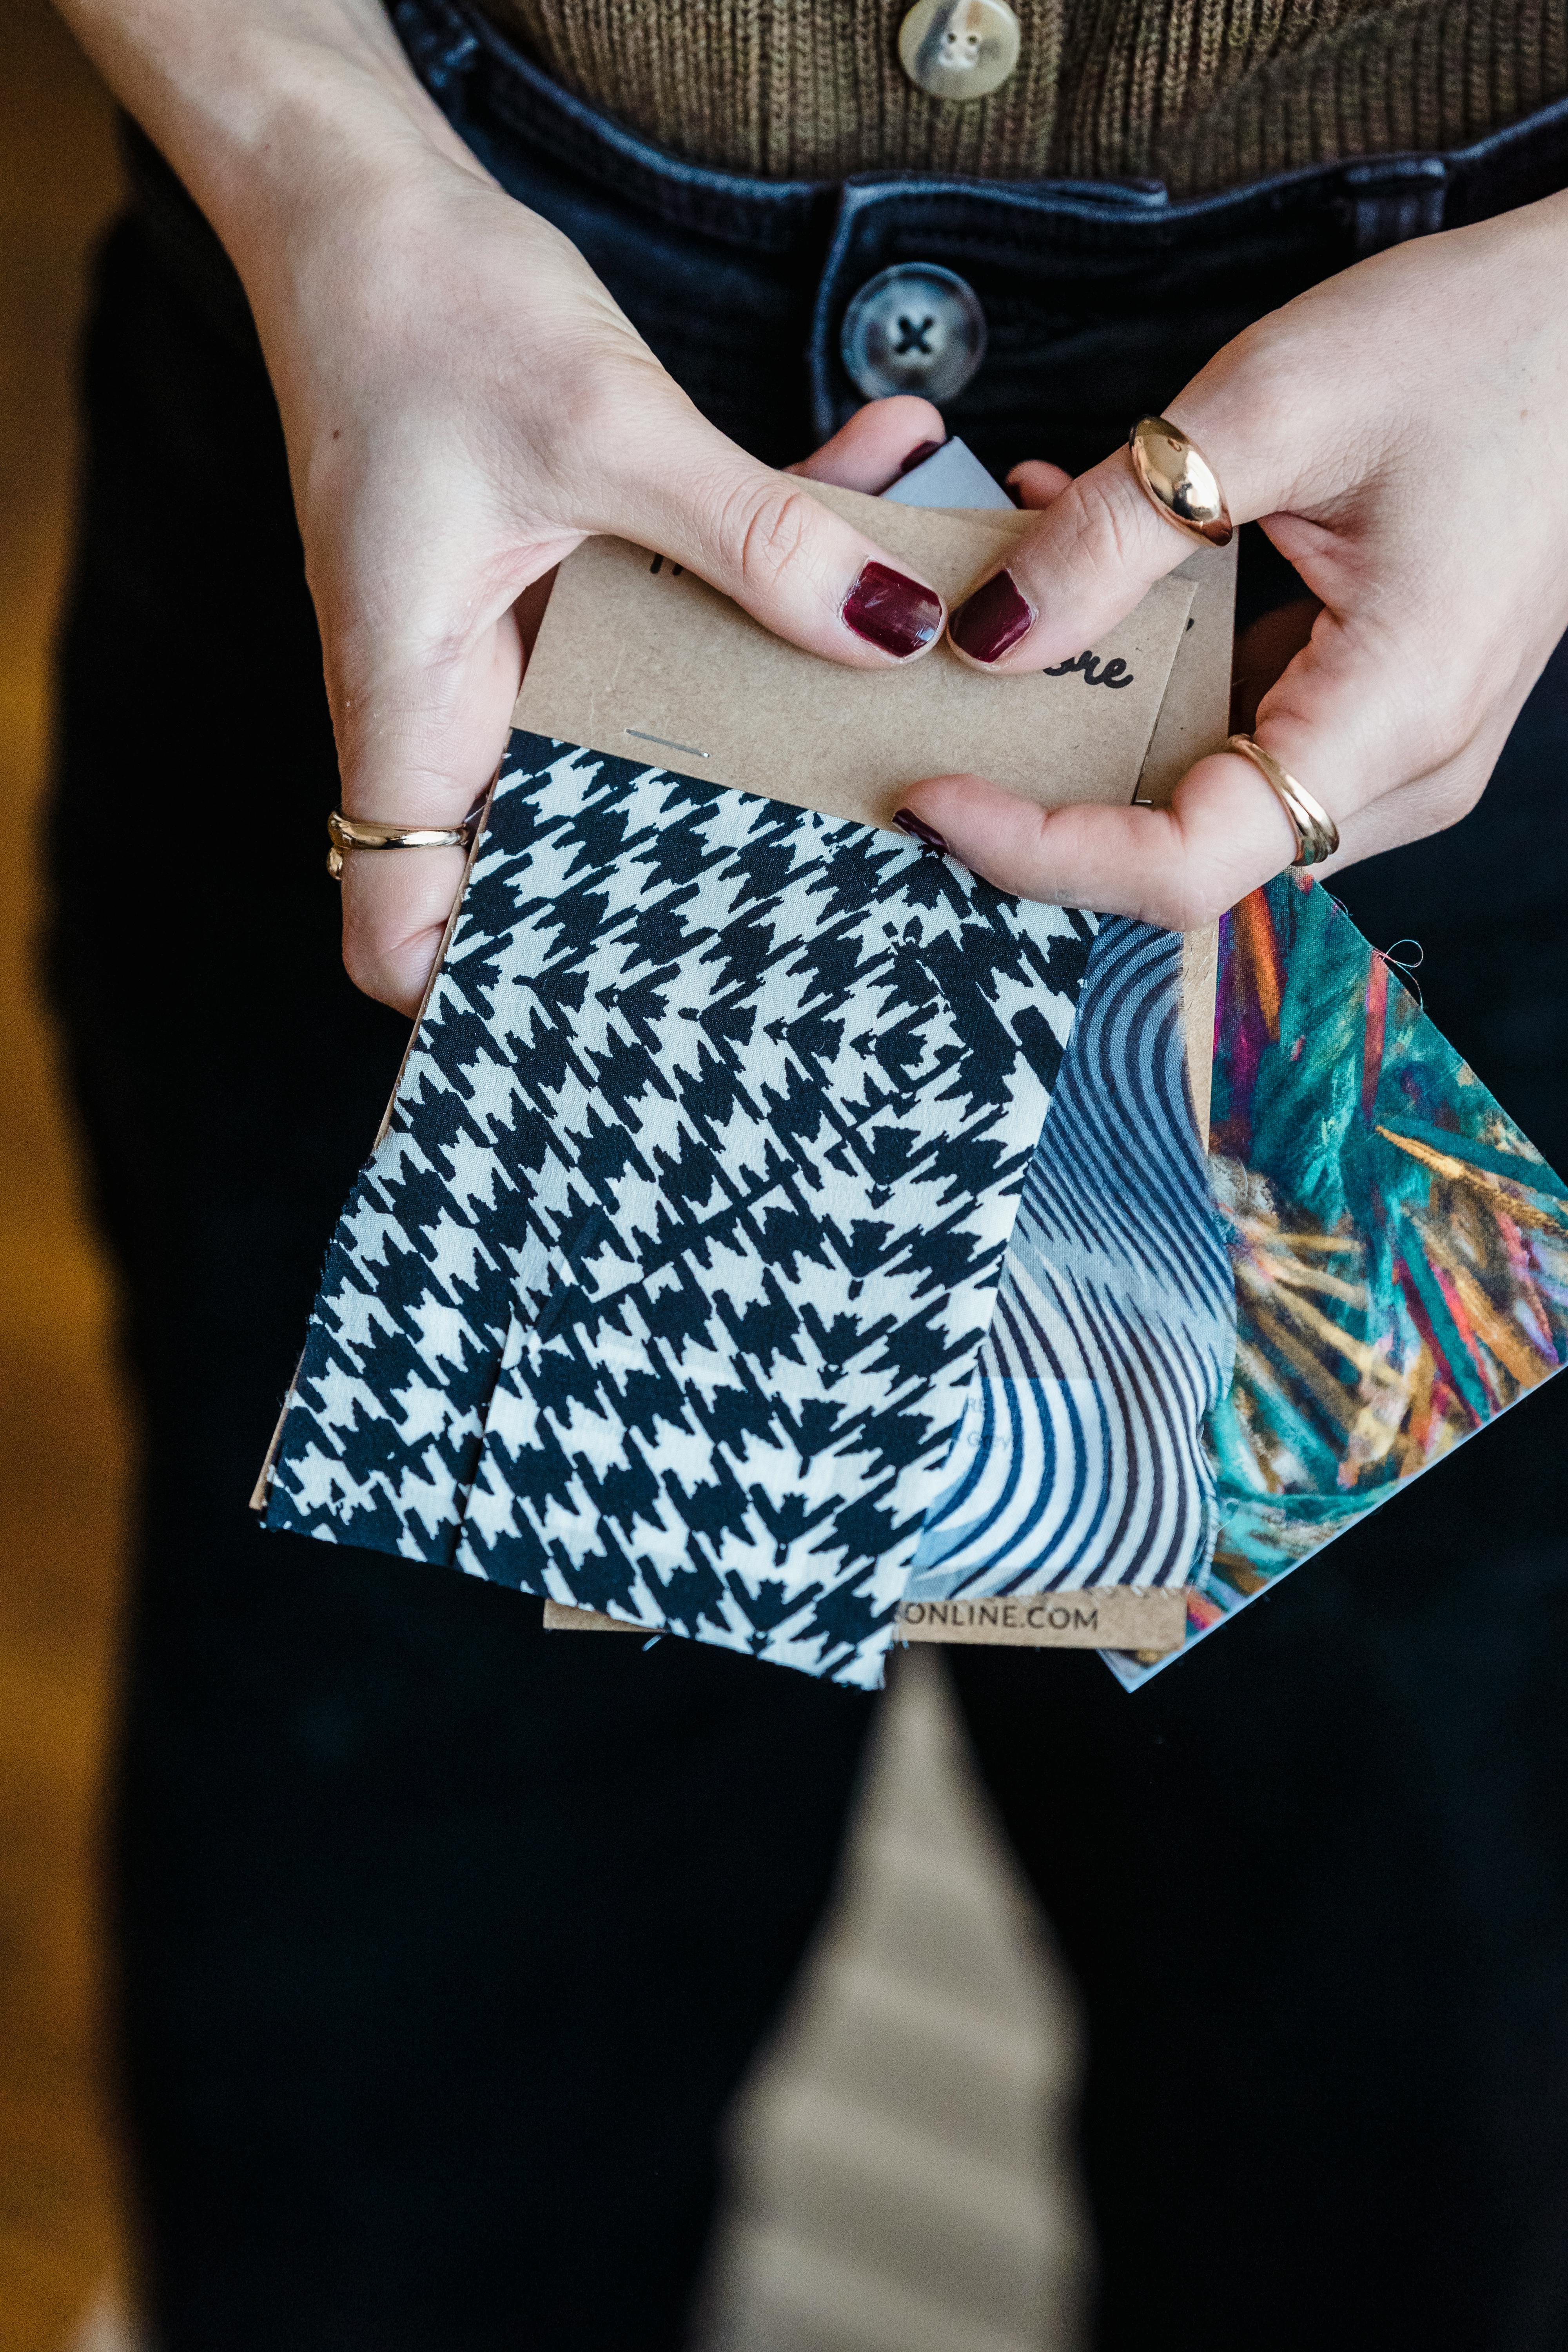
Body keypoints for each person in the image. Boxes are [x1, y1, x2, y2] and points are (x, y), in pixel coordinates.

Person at [45, 0, 1568, 2344]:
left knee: (1426, 2127)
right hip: (431, 426)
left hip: (1473, 518)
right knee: (400, 2102)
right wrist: (301, 147)